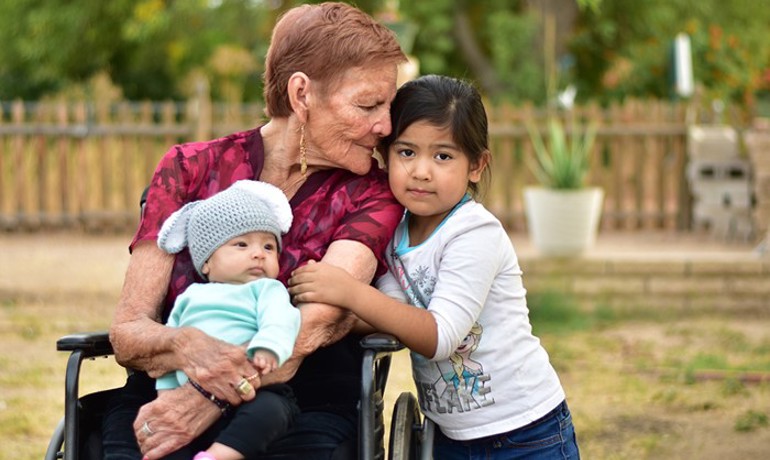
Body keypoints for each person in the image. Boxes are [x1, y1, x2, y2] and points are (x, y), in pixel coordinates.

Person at [101, 3, 406, 459]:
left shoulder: (371, 193)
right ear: (301, 95)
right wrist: (186, 346)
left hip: (302, 403)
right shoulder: (188, 168)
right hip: (164, 396)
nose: (384, 126)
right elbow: (129, 330)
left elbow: (315, 321)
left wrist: (210, 395)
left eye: (388, 106)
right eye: (368, 105)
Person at [288, 75, 581, 459]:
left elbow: (441, 337)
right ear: (386, 155)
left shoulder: (474, 233)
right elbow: (389, 312)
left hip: (525, 432)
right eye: (407, 153)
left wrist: (348, 290)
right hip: (449, 436)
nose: (421, 171)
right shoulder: (396, 233)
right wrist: (317, 309)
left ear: (476, 165)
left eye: (443, 156)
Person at [154, 180, 301, 460]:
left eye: (269, 247)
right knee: (167, 434)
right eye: (242, 244)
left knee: (269, 412)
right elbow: (170, 350)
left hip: (257, 392)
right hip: (192, 394)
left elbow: (282, 320)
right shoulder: (190, 297)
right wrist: (166, 394)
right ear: (206, 261)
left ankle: (218, 456)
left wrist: (268, 347)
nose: (259, 253)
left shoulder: (267, 289)